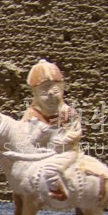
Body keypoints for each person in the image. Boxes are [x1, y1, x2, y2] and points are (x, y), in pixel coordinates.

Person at [21, 59, 82, 201]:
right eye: (43, 91)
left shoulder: (67, 113)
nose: (50, 95)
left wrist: (67, 139)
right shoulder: (32, 114)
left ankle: (59, 191)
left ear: (62, 89)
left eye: (55, 90)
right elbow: (23, 133)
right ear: (35, 94)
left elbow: (76, 131)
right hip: (39, 153)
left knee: (51, 169)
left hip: (63, 153)